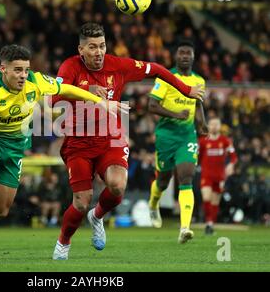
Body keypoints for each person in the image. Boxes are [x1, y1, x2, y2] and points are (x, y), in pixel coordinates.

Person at [0, 44, 128, 262]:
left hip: (15, 145)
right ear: (3, 69)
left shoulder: (36, 80)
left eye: (26, 70)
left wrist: (99, 100)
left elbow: (66, 89)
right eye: (17, 70)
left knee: (0, 209)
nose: (23, 75)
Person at [51, 23, 204, 260]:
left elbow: (156, 69)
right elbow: (55, 97)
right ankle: (63, 242)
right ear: (81, 50)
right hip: (78, 143)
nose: (98, 52)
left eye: (102, 46)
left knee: (118, 186)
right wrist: (92, 93)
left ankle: (98, 216)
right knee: (81, 202)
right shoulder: (70, 67)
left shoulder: (118, 66)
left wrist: (185, 89)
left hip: (111, 139)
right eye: (92, 47)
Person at [148, 40, 208, 244]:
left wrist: (202, 124)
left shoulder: (199, 80)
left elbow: (198, 104)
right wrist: (176, 114)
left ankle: (185, 228)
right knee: (163, 180)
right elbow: (152, 106)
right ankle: (153, 203)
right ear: (176, 56)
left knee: (186, 177)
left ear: (193, 57)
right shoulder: (166, 77)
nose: (184, 56)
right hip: (166, 136)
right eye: (181, 52)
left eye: (188, 53)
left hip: (187, 136)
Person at [198, 117, 237, 234]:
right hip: (206, 175)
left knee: (215, 202)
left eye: (216, 124)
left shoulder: (225, 141)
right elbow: (197, 157)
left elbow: (234, 156)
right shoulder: (203, 141)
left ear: (220, 126)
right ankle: (208, 221)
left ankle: (210, 224)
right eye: (212, 124)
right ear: (208, 126)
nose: (214, 126)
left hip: (219, 176)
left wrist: (231, 165)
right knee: (206, 198)